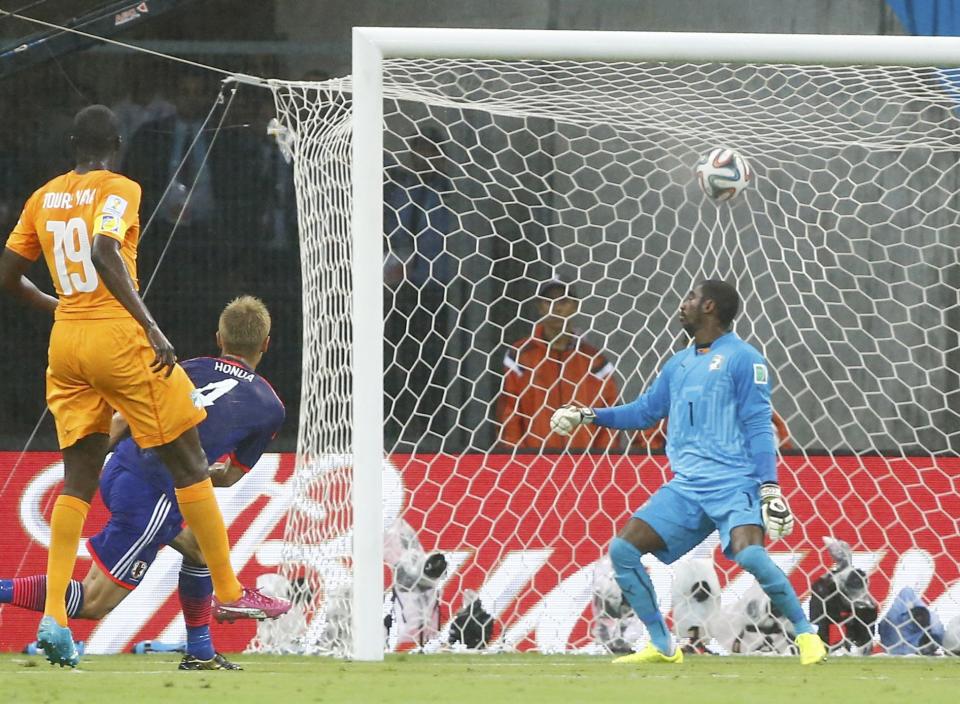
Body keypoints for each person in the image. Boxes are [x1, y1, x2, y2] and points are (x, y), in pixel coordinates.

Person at [0, 105, 288, 667]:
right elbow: (106, 251)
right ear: (117, 145)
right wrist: (149, 325)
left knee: (77, 482)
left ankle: (57, 617)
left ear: (73, 144)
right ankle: (230, 593)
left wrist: (57, 305)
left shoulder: (42, 196)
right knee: (187, 459)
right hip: (115, 334)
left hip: (66, 341)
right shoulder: (120, 188)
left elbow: (6, 276)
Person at [550, 279, 827, 665]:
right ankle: (662, 644)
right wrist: (588, 415)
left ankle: (807, 634)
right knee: (623, 550)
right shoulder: (678, 363)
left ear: (710, 307)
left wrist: (769, 489)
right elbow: (645, 412)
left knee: (751, 557)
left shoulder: (745, 359)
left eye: (691, 298)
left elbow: (760, 425)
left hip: (734, 482)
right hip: (687, 487)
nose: (683, 304)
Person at [0, 295, 285, 669]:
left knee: (202, 547)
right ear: (265, 344)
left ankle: (200, 652)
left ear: (219, 338)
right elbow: (230, 477)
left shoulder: (186, 368)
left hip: (122, 466)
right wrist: (201, 475)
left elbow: (122, 420)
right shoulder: (269, 406)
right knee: (92, 602)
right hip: (156, 489)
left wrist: (92, 464)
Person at [497, 279, 619, 451]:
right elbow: (509, 416)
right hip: (531, 465)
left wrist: (603, 463)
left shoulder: (595, 362)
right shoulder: (520, 357)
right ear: (539, 307)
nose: (557, 307)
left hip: (584, 465)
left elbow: (609, 417)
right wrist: (517, 461)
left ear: (575, 306)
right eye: (549, 301)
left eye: (563, 301)